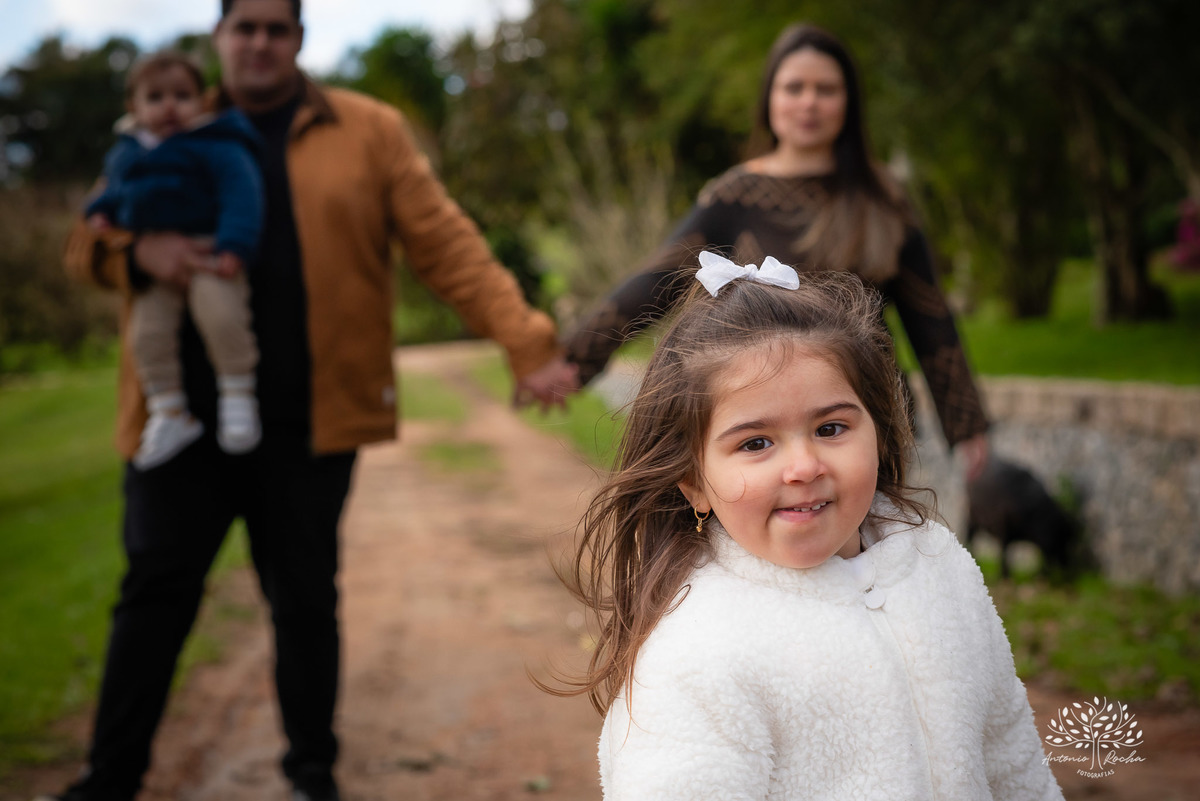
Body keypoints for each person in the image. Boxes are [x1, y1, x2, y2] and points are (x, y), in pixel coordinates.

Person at [45, 1, 566, 800]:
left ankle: (311, 773)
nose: (258, 42)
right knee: (153, 592)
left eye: (275, 27)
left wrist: (526, 342)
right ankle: (108, 780)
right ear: (218, 38)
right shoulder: (165, 118)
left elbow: (447, 243)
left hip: (307, 418)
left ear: (298, 39)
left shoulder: (369, 130)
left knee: (303, 596)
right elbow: (87, 241)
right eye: (243, 26)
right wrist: (135, 250)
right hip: (177, 421)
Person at [553, 257, 1062, 799]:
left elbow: (1011, 754)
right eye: (755, 443)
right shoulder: (697, 652)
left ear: (880, 433)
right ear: (693, 481)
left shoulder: (940, 565)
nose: (804, 466)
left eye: (831, 427)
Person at [558, 23, 990, 480]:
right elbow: (655, 282)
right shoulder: (736, 195)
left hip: (863, 417)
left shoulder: (884, 200)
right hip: (762, 421)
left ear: (849, 103)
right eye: (794, 87)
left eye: (826, 89)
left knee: (868, 550)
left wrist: (966, 424)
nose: (809, 101)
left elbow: (931, 318)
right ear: (770, 99)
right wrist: (572, 360)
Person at [85, 50, 266, 468]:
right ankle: (168, 409)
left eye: (182, 95)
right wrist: (102, 216)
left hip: (210, 252)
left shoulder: (218, 144)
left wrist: (234, 247)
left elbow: (243, 196)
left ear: (202, 100)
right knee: (146, 334)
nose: (169, 106)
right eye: (155, 97)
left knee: (223, 316)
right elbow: (112, 193)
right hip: (150, 265)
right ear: (134, 107)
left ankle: (238, 396)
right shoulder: (127, 154)